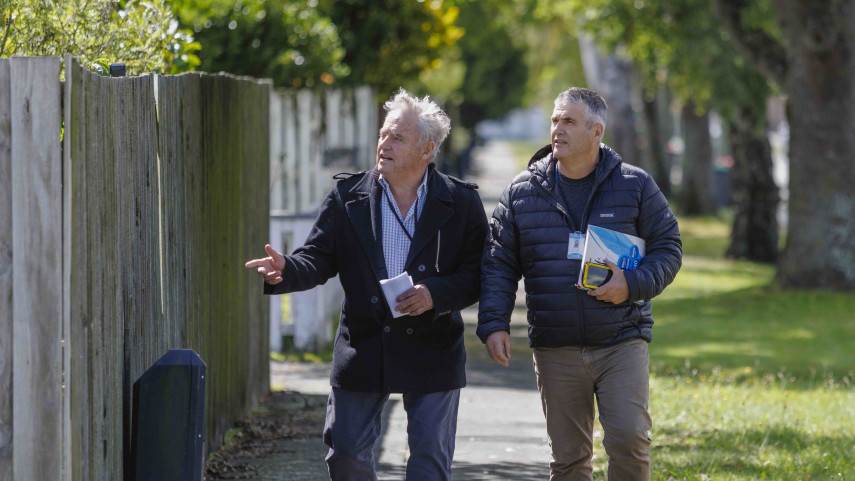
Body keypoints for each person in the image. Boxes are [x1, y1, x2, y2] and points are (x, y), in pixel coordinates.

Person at [245, 89, 487, 481]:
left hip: (433, 348)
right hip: (364, 343)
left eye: (398, 138)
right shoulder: (348, 197)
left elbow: (477, 273)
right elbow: (318, 258)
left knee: (429, 464)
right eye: (383, 134)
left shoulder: (460, 202)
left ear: (427, 149)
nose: (384, 144)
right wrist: (287, 269)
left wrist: (434, 294)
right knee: (345, 455)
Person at [477, 87, 682, 480]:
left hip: (621, 338)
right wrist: (495, 323)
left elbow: (669, 248)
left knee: (629, 440)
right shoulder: (522, 192)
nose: (558, 129)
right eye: (555, 120)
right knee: (569, 461)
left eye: (568, 121)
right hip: (556, 346)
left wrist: (633, 284)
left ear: (596, 131)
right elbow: (498, 263)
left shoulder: (635, 186)